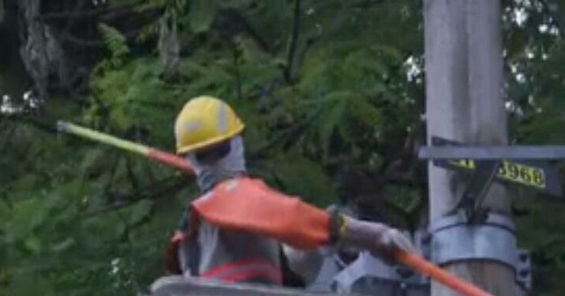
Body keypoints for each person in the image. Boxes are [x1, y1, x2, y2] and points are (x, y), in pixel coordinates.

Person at [165, 95, 414, 286]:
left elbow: (285, 266)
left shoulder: (191, 226)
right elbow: (294, 217)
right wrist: (374, 236)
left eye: (215, 151)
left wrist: (312, 248)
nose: (213, 161)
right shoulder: (235, 195)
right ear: (237, 143)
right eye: (205, 155)